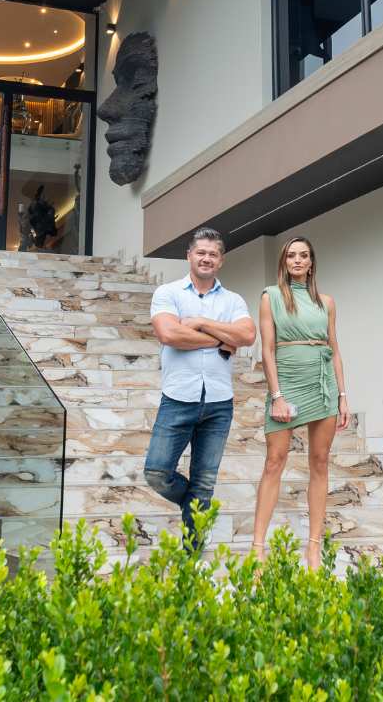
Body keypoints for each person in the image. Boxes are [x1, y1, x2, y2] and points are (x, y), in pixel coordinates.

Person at [145, 227, 256, 544]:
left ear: (221, 260)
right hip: (178, 398)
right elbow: (169, 334)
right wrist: (221, 339)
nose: (207, 258)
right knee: (157, 473)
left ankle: (191, 555)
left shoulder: (233, 300)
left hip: (219, 403)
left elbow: (247, 336)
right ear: (189, 256)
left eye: (213, 254)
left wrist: (201, 323)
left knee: (205, 482)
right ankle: (193, 505)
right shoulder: (168, 293)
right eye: (201, 252)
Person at [250, 236, 349, 569]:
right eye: (291, 255)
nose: (297, 260)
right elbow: (267, 350)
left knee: (320, 462)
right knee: (274, 461)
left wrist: (342, 395)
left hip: (322, 386)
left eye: (303, 255)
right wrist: (276, 395)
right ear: (284, 261)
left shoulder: (327, 302)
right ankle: (257, 547)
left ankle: (313, 548)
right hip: (288, 384)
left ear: (311, 262)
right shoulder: (271, 297)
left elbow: (335, 349)